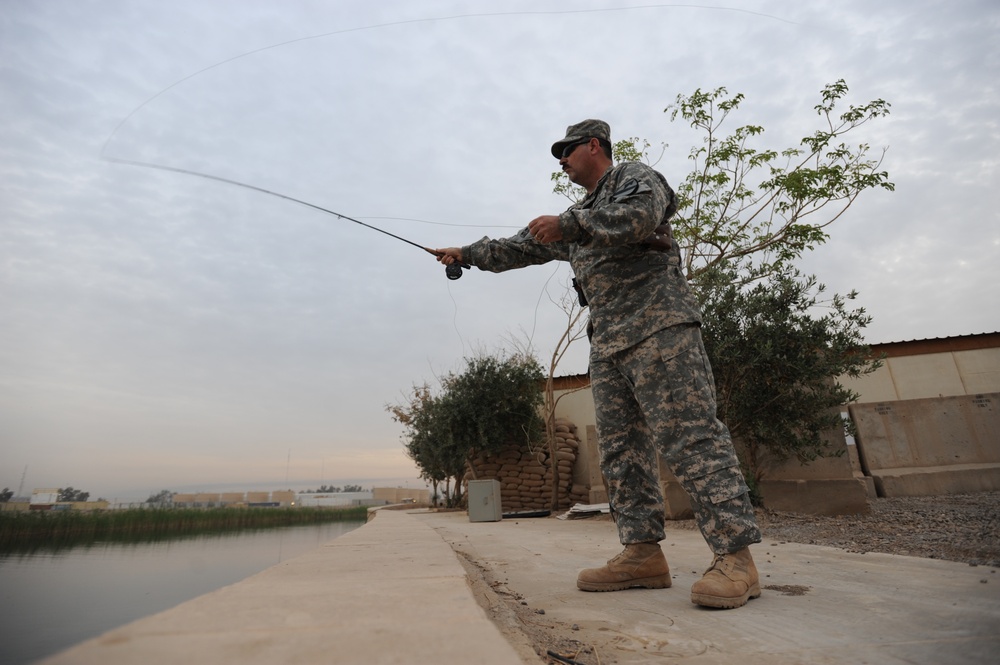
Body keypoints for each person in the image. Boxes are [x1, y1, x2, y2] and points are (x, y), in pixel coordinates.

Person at [435, 119, 762, 609]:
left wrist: (570, 225)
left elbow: (638, 217)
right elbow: (521, 246)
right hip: (608, 344)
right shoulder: (579, 213)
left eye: (566, 150)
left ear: (594, 146)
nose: (561, 160)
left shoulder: (632, 178)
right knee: (620, 451)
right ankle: (642, 554)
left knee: (692, 437)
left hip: (660, 328)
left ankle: (737, 559)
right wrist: (468, 253)